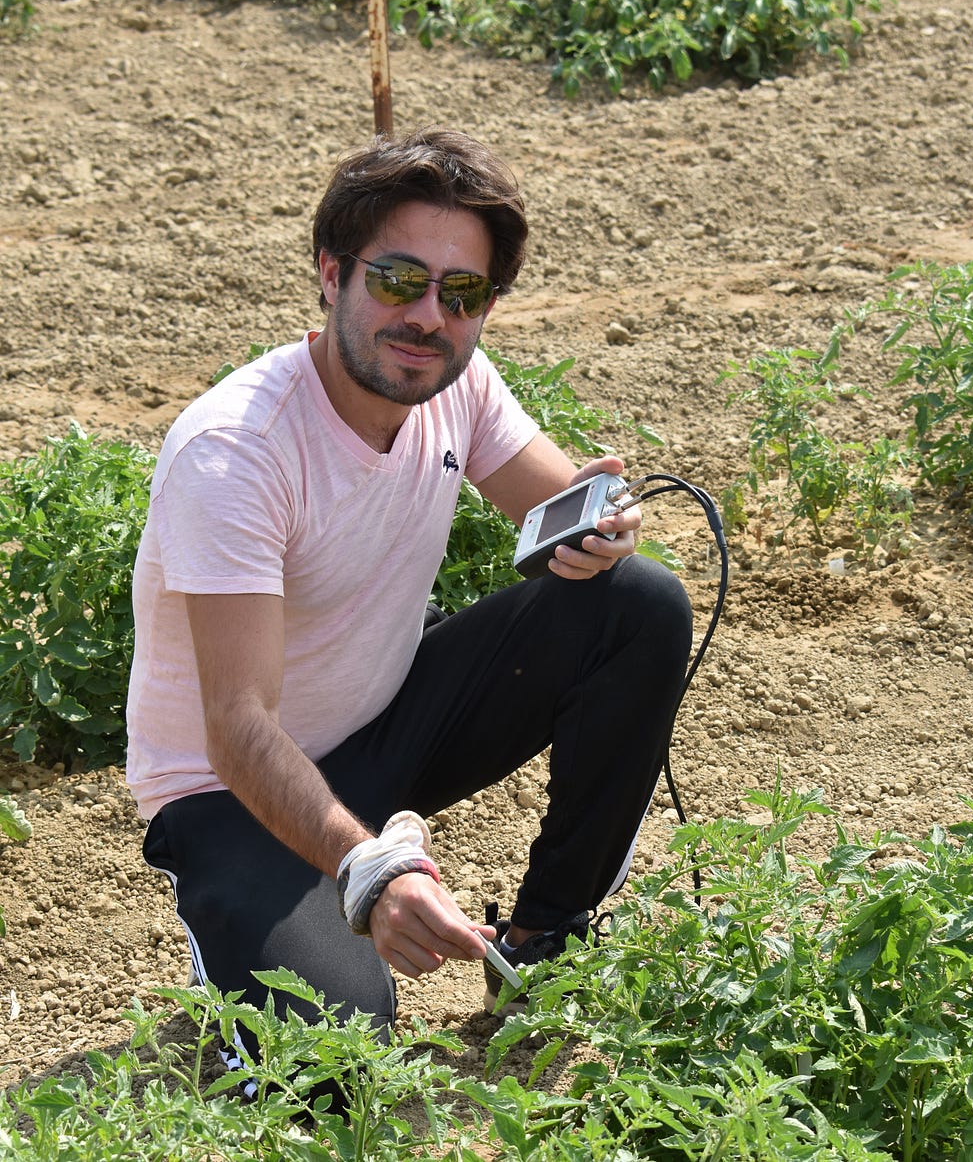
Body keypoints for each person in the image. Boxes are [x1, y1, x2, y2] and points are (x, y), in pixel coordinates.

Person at [125, 127, 693, 1078]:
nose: (427, 316)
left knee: (633, 603)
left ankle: (546, 941)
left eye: (460, 293)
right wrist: (369, 869)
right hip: (229, 792)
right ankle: (248, 950)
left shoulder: (456, 390)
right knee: (332, 1065)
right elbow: (235, 725)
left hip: (383, 730)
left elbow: (554, 507)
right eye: (396, 279)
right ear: (331, 273)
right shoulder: (236, 452)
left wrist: (604, 526)